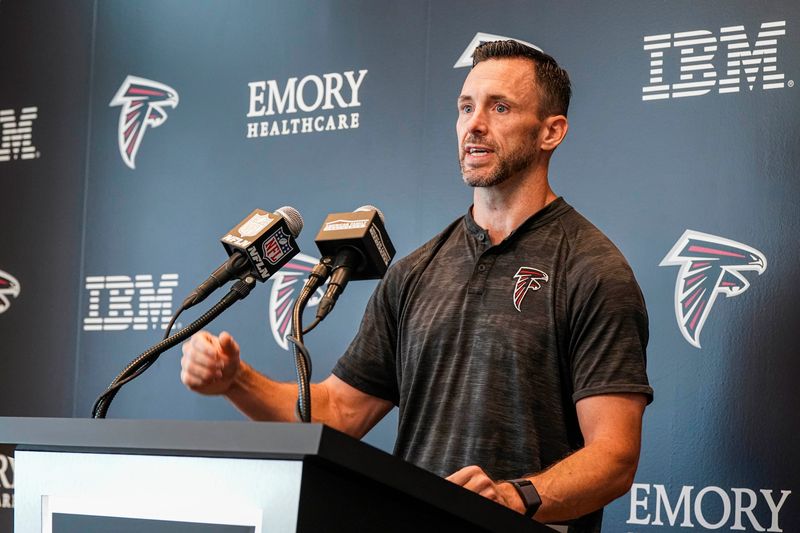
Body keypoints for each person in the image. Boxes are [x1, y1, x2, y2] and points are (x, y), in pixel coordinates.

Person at [181, 40, 652, 532]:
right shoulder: (415, 270)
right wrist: (235, 380)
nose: (474, 123)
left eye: (500, 107)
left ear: (551, 131)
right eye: (466, 107)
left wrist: (516, 496)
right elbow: (338, 412)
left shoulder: (593, 268)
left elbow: (615, 455)